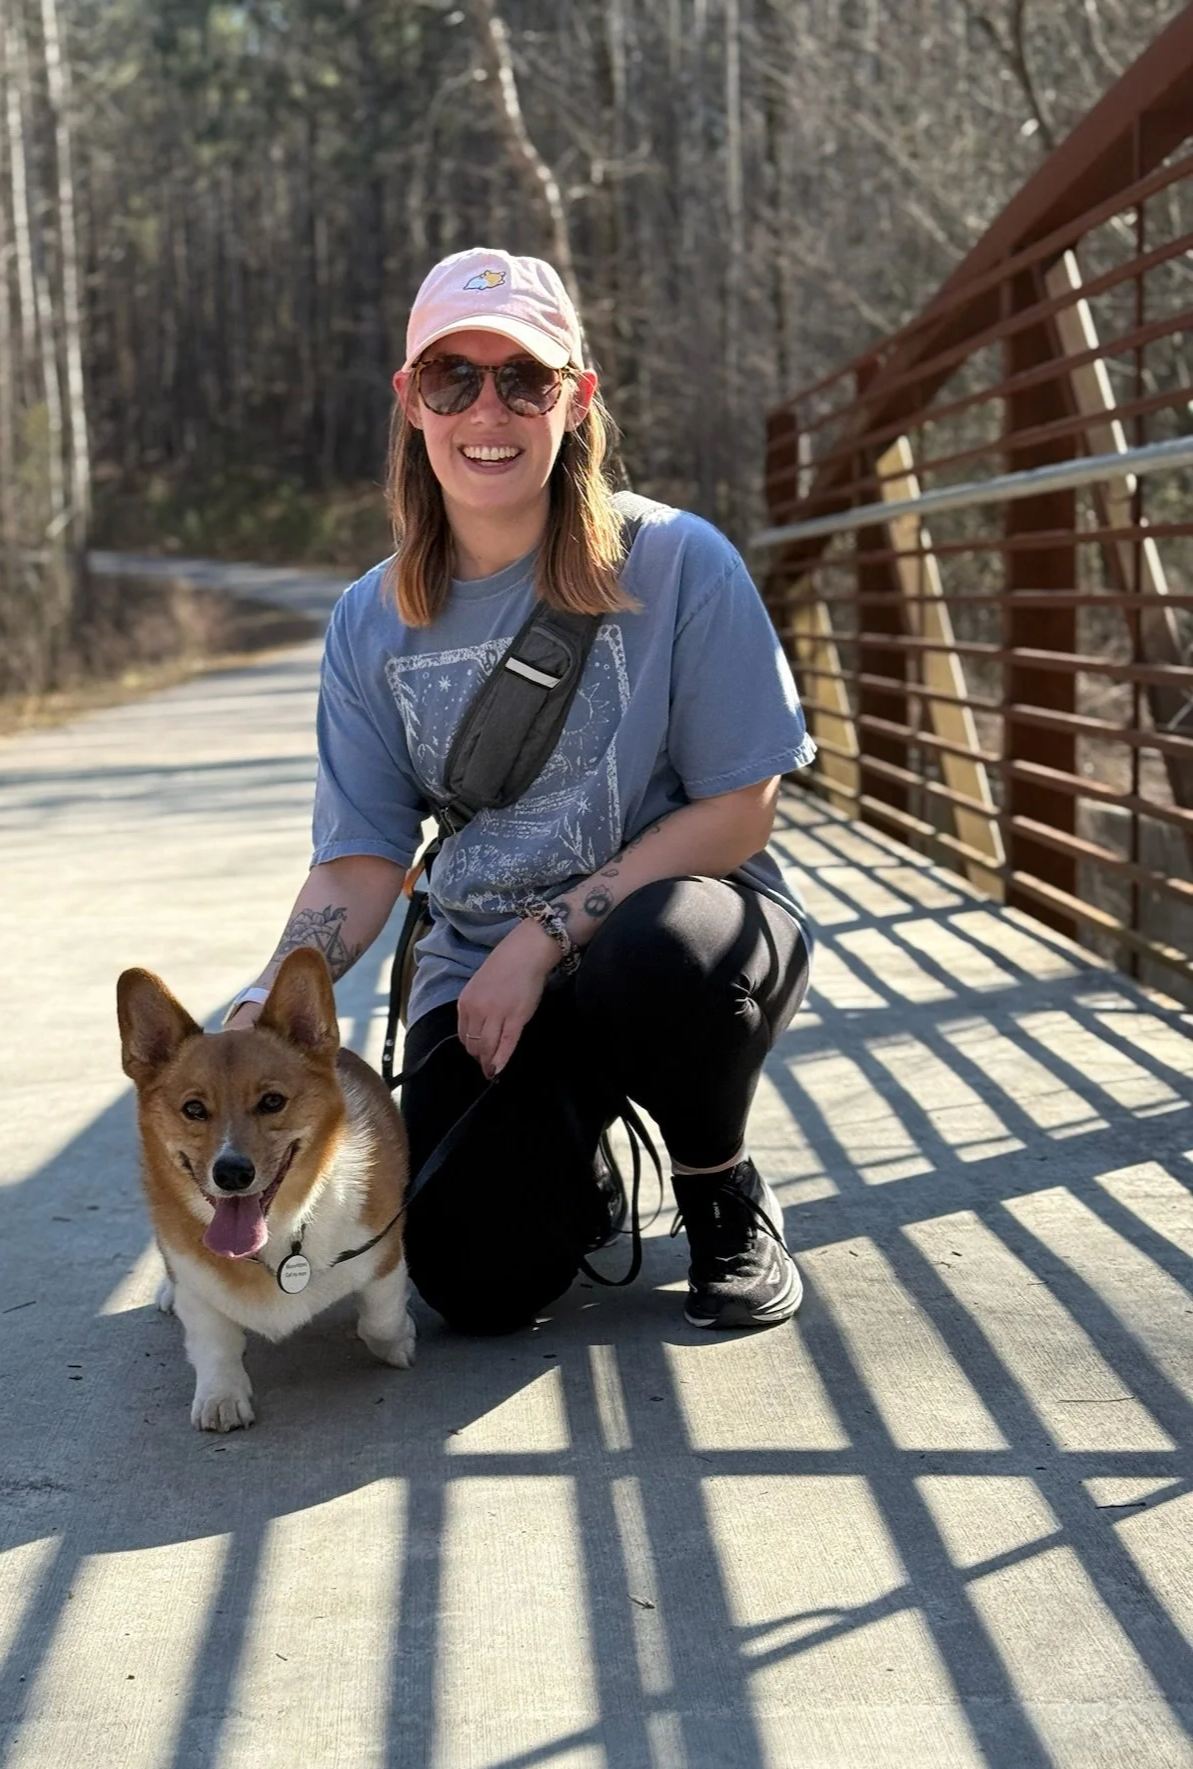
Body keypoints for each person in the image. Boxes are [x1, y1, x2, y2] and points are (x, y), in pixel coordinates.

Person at [224, 246, 815, 1337]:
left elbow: (742, 809)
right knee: (475, 1277)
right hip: (487, 978)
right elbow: (361, 857)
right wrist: (272, 993)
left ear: (574, 397)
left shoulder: (679, 561)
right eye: (452, 377)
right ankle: (568, 1151)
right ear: (411, 402)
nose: (484, 409)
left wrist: (543, 937)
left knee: (658, 959)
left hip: (680, 924)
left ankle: (718, 1181)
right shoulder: (369, 620)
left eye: (522, 379)